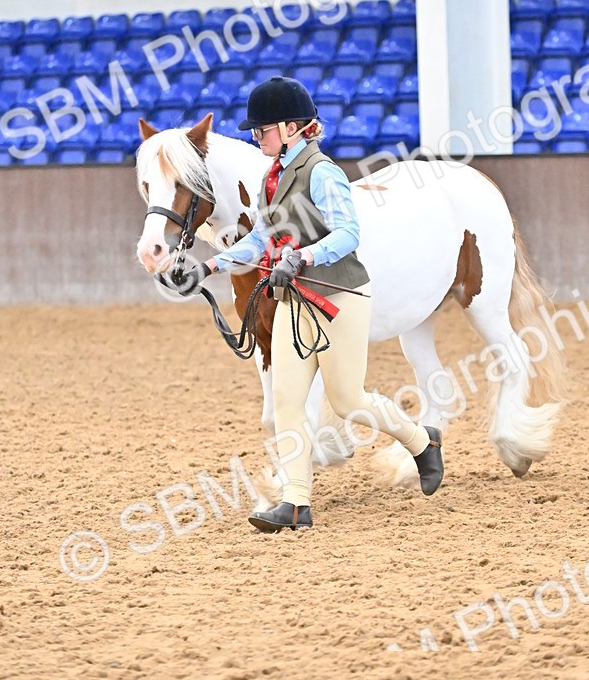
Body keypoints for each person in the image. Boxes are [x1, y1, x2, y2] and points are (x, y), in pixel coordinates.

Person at [172, 75, 444, 533]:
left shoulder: (323, 172)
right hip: (292, 300)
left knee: (347, 400)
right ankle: (296, 503)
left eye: (263, 129)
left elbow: (348, 232)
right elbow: (260, 238)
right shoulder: (270, 179)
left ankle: (421, 442)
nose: (256, 137)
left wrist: (302, 255)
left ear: (293, 127)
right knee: (288, 401)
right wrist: (211, 267)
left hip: (339, 297)